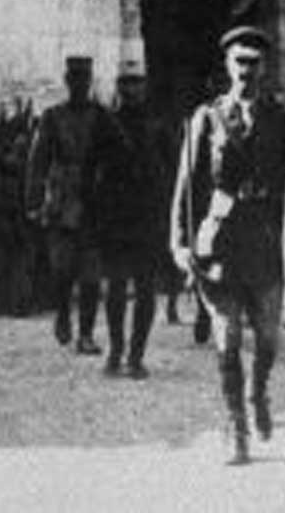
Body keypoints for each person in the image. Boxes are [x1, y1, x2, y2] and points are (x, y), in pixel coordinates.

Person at [171, 25, 285, 464]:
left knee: (267, 339)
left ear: (265, 67)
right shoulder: (206, 118)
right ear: (227, 65)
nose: (247, 70)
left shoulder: (283, 120)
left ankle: (258, 391)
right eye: (239, 61)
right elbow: (186, 187)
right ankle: (236, 425)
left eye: (254, 62)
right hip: (221, 241)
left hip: (265, 241)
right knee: (226, 341)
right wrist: (181, 242)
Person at [26, 55, 117, 355]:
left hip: (92, 200)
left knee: (91, 274)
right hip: (61, 201)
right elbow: (38, 161)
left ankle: (86, 334)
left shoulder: (102, 116)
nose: (79, 85)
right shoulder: (52, 117)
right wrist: (34, 200)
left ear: (89, 82)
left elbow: (119, 153)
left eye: (84, 80)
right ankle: (63, 313)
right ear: (67, 82)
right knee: (62, 268)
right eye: (74, 80)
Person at [96, 62, 169, 379]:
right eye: (125, 83)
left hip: (148, 217)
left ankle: (136, 355)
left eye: (137, 83)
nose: (131, 89)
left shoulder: (158, 126)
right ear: (118, 87)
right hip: (116, 217)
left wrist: (168, 215)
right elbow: (92, 171)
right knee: (115, 287)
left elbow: (174, 170)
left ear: (145, 86)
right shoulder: (107, 125)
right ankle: (115, 350)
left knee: (145, 289)